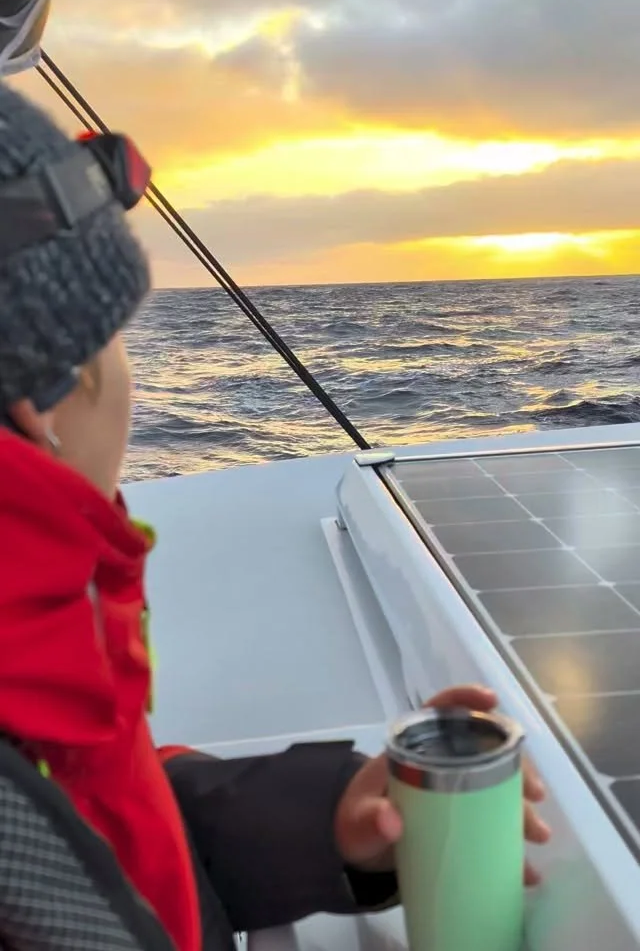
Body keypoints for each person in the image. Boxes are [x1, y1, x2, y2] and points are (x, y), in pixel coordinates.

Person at [0, 84, 549, 950]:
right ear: (48, 403)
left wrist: (324, 820)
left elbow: (98, 842)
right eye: (118, 336)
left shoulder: (40, 669)